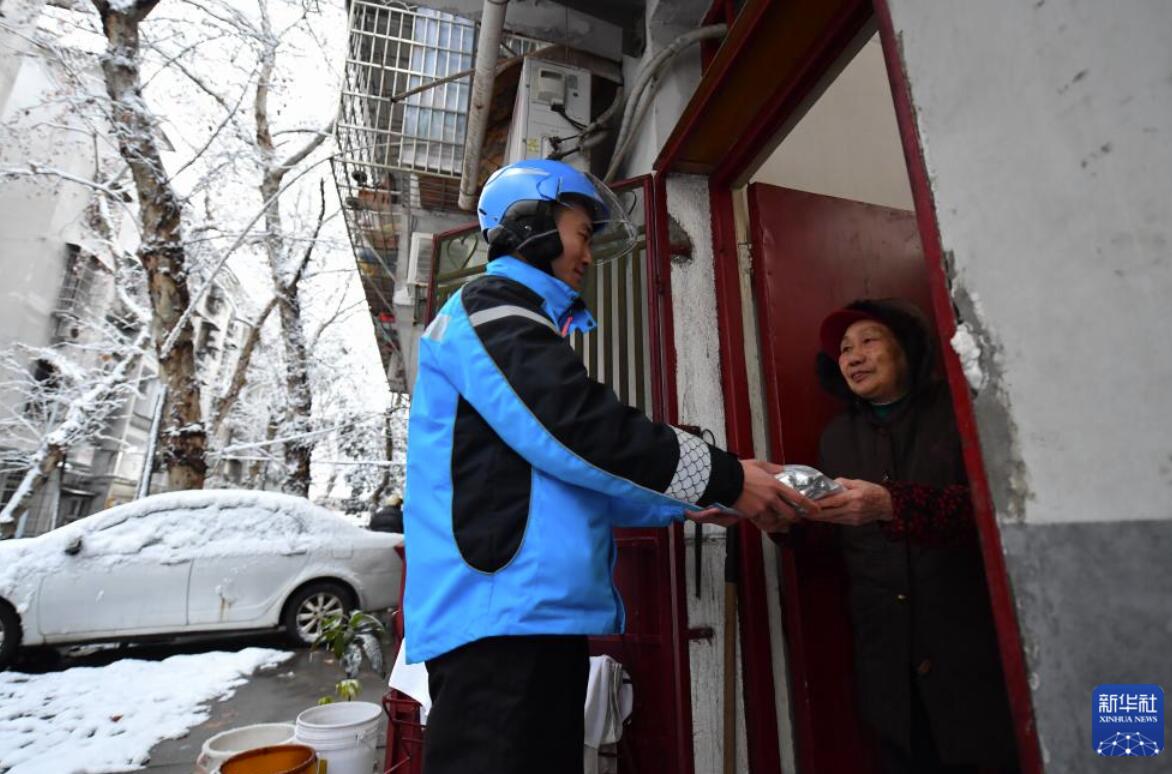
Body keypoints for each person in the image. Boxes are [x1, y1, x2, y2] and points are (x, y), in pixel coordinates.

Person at [402, 159, 815, 774]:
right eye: (581, 234)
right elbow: (576, 428)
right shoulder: (491, 304)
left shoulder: (516, 318)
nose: (588, 256)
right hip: (498, 622)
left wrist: (707, 498)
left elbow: (566, 473)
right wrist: (728, 478)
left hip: (523, 617)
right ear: (532, 225)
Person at [804, 298, 1018, 773]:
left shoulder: (960, 412)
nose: (854, 356)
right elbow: (833, 539)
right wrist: (778, 520)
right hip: (889, 669)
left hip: (969, 654)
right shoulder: (836, 437)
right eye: (843, 349)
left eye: (869, 341)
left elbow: (992, 513)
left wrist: (892, 503)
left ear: (907, 349)